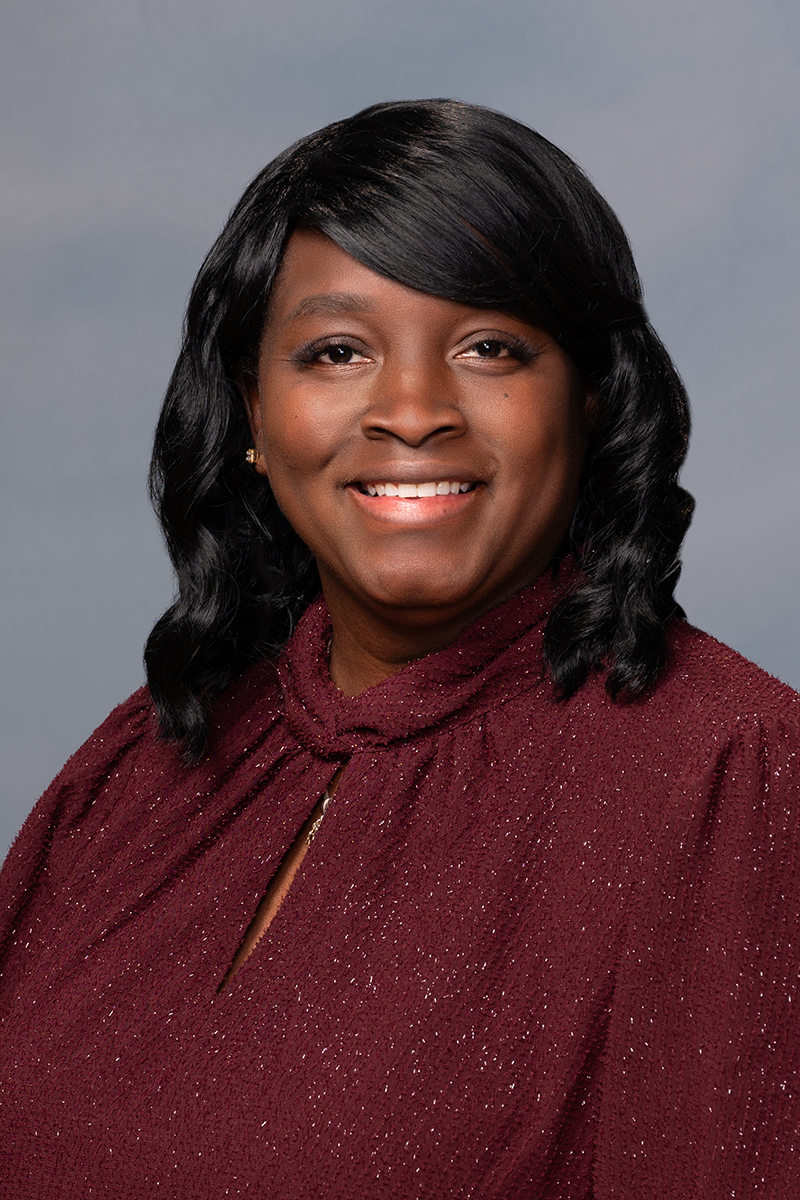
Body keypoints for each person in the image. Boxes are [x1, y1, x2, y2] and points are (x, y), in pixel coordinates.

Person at [0, 99, 797, 1199]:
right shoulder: (137, 771)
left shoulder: (731, 778)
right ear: (253, 413)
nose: (411, 411)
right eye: (336, 351)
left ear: (591, 398)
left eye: (488, 347)